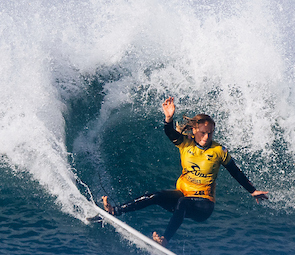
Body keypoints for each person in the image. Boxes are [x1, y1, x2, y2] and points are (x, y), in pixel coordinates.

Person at [101, 96, 269, 246]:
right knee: (156, 196)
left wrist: (252, 191)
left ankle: (164, 240)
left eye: (210, 134)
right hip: (183, 194)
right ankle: (115, 210)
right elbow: (169, 132)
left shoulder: (219, 151)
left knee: (183, 203)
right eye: (203, 133)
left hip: (203, 205)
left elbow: (235, 172)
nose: (206, 138)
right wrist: (168, 119)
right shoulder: (185, 143)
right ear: (194, 130)